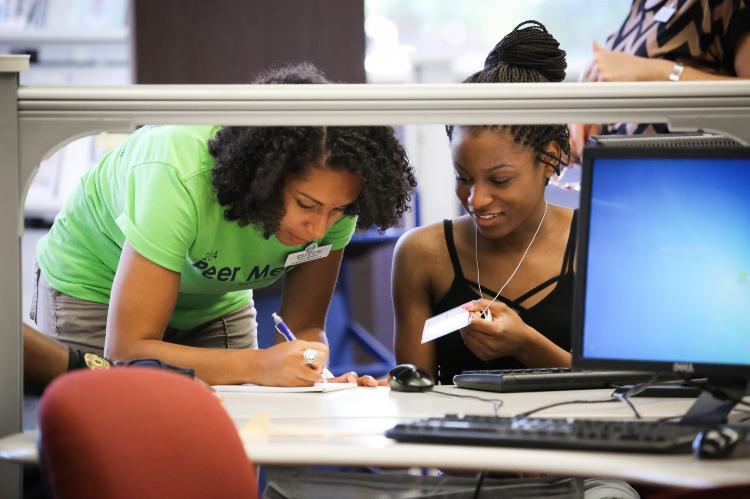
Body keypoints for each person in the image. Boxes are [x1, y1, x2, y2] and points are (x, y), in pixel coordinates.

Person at [31, 62, 417, 387]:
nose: (318, 229)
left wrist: (317, 374)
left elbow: (304, 327)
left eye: (337, 211)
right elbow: (128, 350)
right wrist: (260, 366)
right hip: (96, 286)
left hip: (212, 297)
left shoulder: (335, 203)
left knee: (232, 442)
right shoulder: (178, 172)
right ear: (262, 176)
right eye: (305, 204)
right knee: (113, 438)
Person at [392, 21, 575, 385]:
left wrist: (528, 345)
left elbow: (634, 385)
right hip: (461, 438)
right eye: (463, 178)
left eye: (499, 179)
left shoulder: (598, 242)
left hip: (586, 434)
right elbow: (413, 393)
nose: (476, 199)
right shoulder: (422, 255)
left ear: (550, 159)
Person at [571, 0, 750, 161]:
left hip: (679, 177)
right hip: (623, 173)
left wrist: (657, 71)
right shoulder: (639, 6)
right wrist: (592, 127)